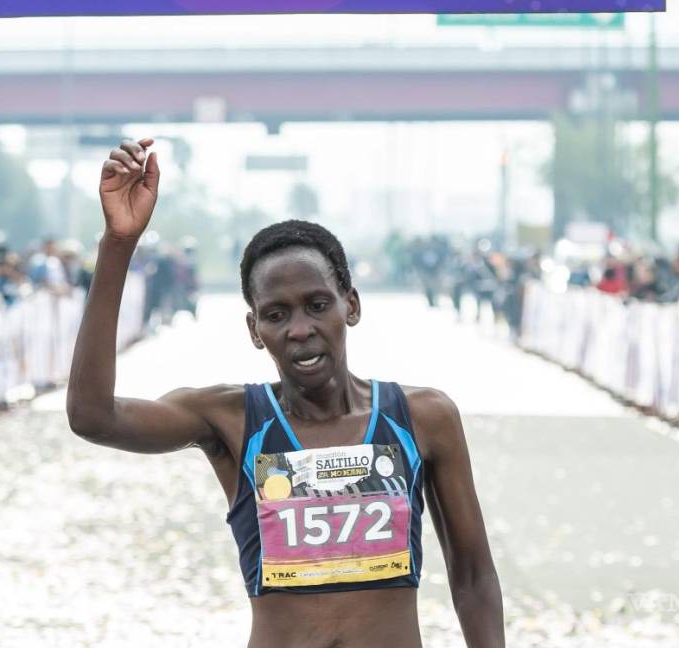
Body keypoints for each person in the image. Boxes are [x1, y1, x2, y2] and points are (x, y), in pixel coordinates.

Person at [67, 139, 504, 648]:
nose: (300, 329)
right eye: (277, 315)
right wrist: (118, 243)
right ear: (255, 330)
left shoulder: (423, 417)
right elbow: (93, 416)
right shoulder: (231, 418)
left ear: (351, 305)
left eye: (318, 304)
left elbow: (473, 577)